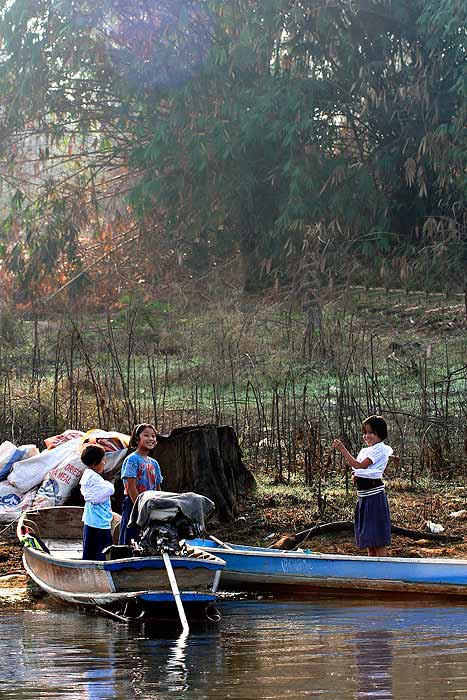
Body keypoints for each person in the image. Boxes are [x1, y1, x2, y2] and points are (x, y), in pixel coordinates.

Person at [333, 415, 393, 557]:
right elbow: (361, 470)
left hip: (374, 497)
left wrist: (342, 449)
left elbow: (358, 465)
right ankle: (371, 572)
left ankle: (383, 573)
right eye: (365, 433)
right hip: (364, 497)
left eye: (371, 432)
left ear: (380, 433)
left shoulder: (380, 449)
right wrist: (357, 475)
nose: (367, 436)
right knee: (369, 539)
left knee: (378, 538)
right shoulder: (367, 450)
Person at [118, 423, 163, 545]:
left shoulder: (154, 463)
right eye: (146, 435)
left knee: (148, 537)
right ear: (137, 439)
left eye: (153, 436)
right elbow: (130, 486)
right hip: (134, 505)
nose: (151, 439)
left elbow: (158, 486)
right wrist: (138, 506)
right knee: (130, 536)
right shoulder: (132, 459)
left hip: (151, 506)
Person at [80, 443, 115, 561]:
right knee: (100, 552)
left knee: (91, 550)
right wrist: (109, 485)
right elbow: (109, 489)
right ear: (95, 462)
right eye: (103, 461)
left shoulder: (88, 475)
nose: (104, 463)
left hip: (92, 520)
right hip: (98, 522)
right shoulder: (94, 478)